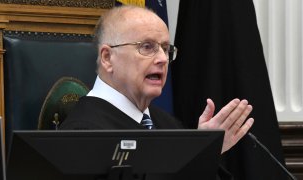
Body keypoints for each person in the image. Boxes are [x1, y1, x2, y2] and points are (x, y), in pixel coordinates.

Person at [59, 4, 254, 176]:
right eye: (147, 47)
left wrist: (203, 151)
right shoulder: (84, 134)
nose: (162, 58)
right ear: (108, 58)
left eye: (165, 48)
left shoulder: (166, 124)